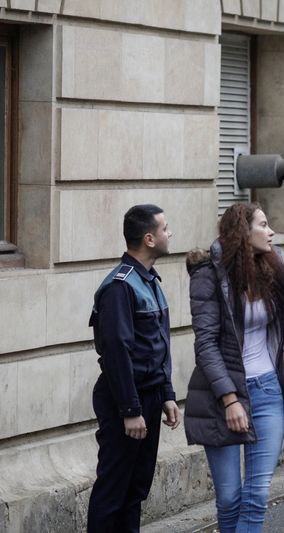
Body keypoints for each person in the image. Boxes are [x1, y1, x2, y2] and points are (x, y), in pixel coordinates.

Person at [183, 203, 284, 533]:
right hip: (222, 397)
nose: (271, 231)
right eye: (263, 225)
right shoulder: (209, 276)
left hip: (267, 392)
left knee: (256, 494)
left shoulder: (271, 271)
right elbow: (205, 346)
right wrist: (231, 399)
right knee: (230, 499)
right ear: (243, 232)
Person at [87, 204, 181, 533]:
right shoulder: (120, 286)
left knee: (135, 490)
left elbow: (158, 346)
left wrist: (167, 394)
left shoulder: (150, 281)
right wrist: (130, 408)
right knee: (113, 490)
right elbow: (116, 352)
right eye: (166, 228)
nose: (171, 233)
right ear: (149, 238)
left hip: (149, 396)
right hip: (125, 398)